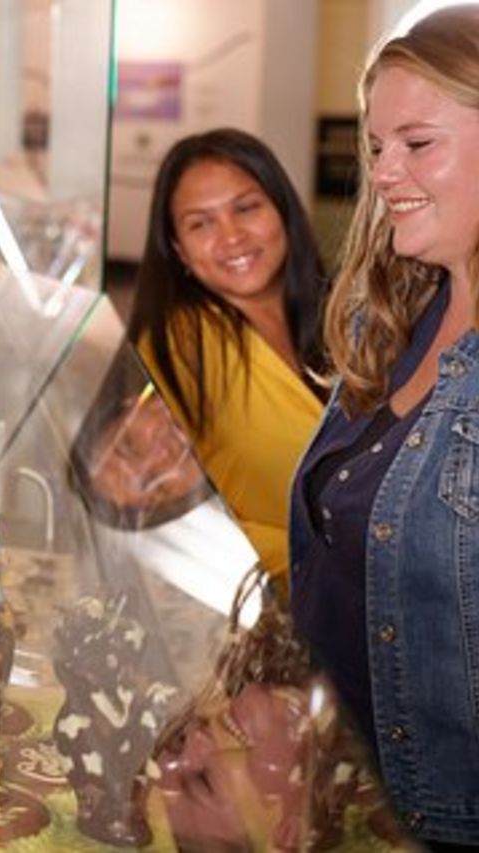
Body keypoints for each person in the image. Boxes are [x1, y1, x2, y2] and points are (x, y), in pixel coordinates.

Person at [289, 7, 479, 847]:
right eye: (375, 148)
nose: (385, 172)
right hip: (336, 798)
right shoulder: (392, 319)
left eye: (418, 142)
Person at [127, 128, 329, 592]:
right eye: (201, 224)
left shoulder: (347, 319)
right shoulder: (180, 345)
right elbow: (160, 513)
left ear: (282, 208)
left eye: (246, 208)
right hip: (267, 624)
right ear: (178, 248)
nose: (232, 236)